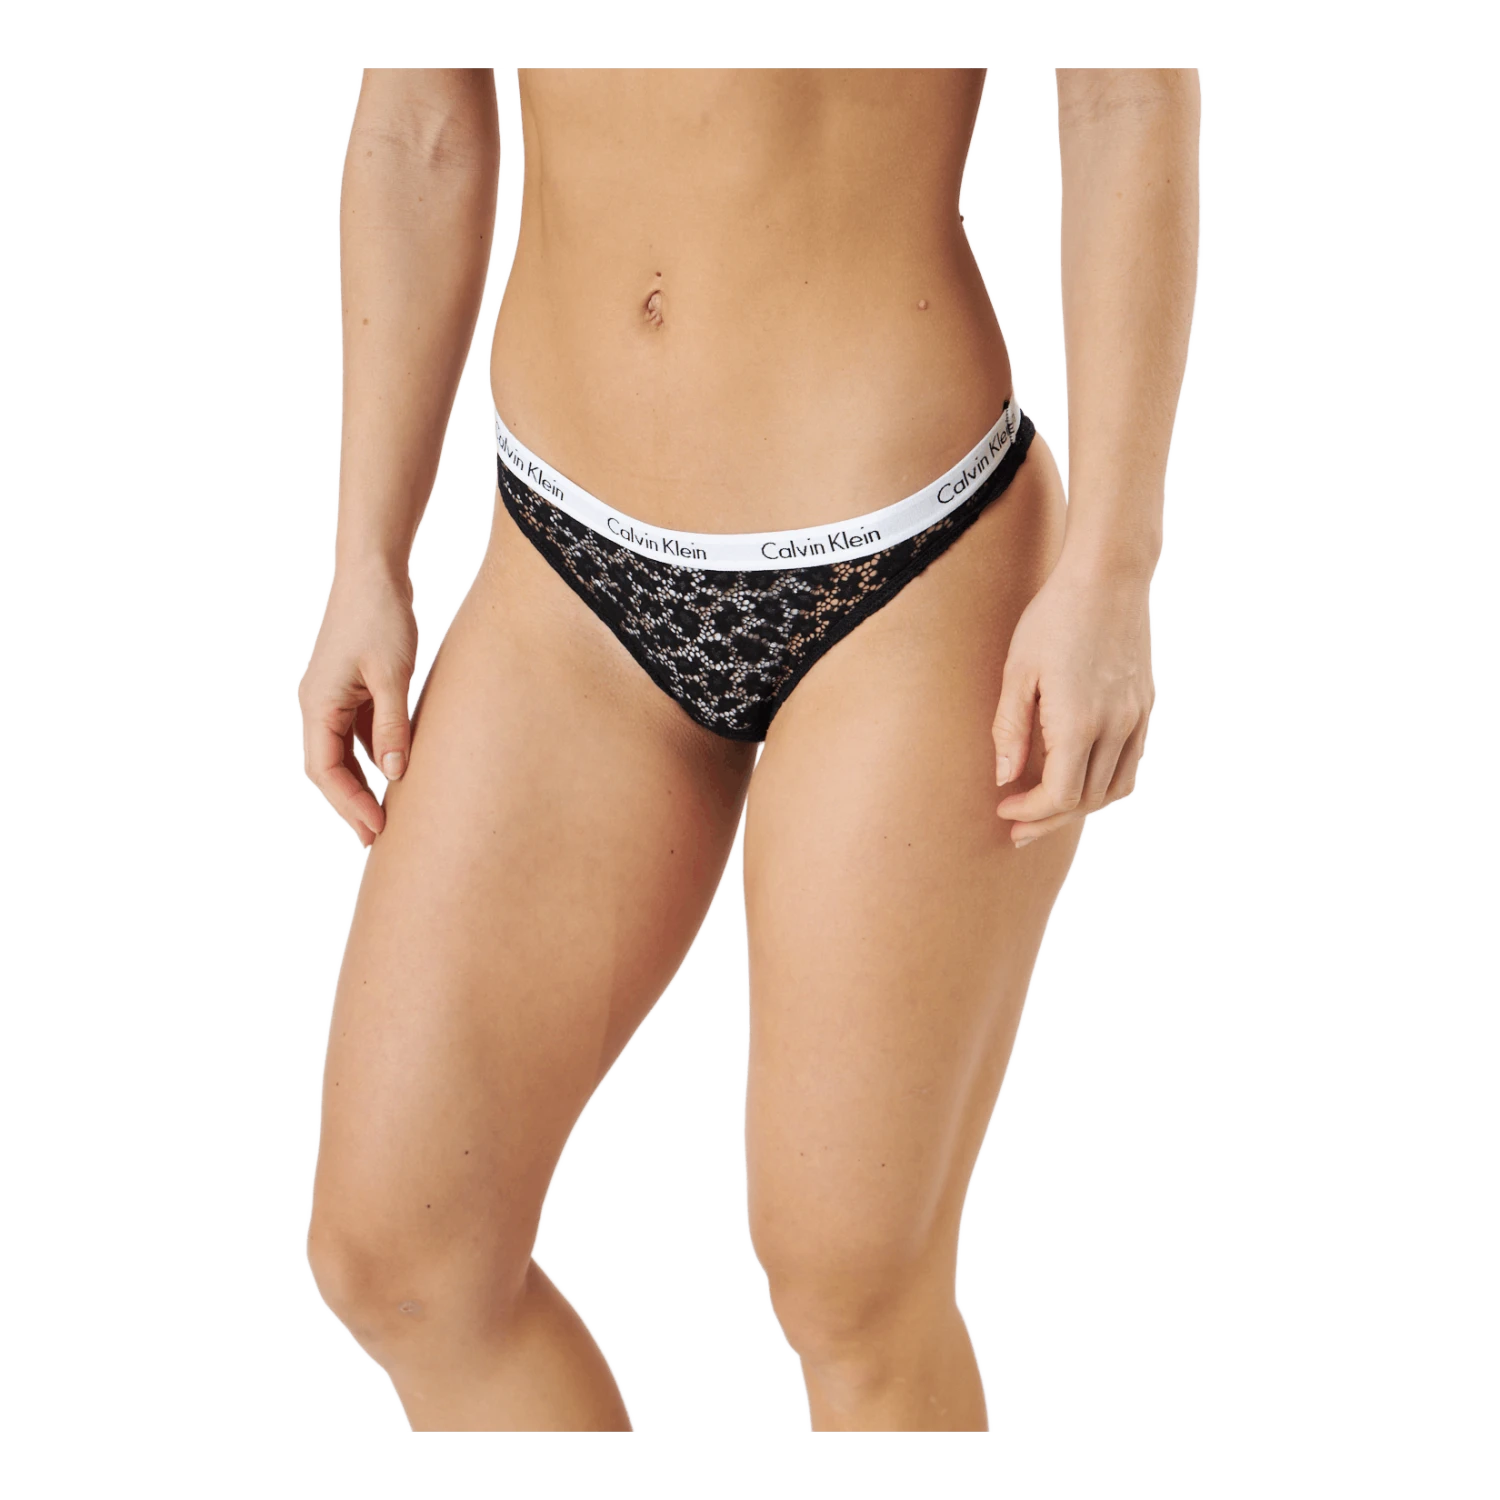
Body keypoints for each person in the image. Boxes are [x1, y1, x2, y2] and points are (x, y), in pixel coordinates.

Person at [298, 63, 1201, 1432]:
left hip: (907, 557)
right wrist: (368, 555)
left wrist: (1115, 568)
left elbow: (1128, 95)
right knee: (403, 1254)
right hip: (565, 574)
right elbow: (419, 120)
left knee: (852, 1285)